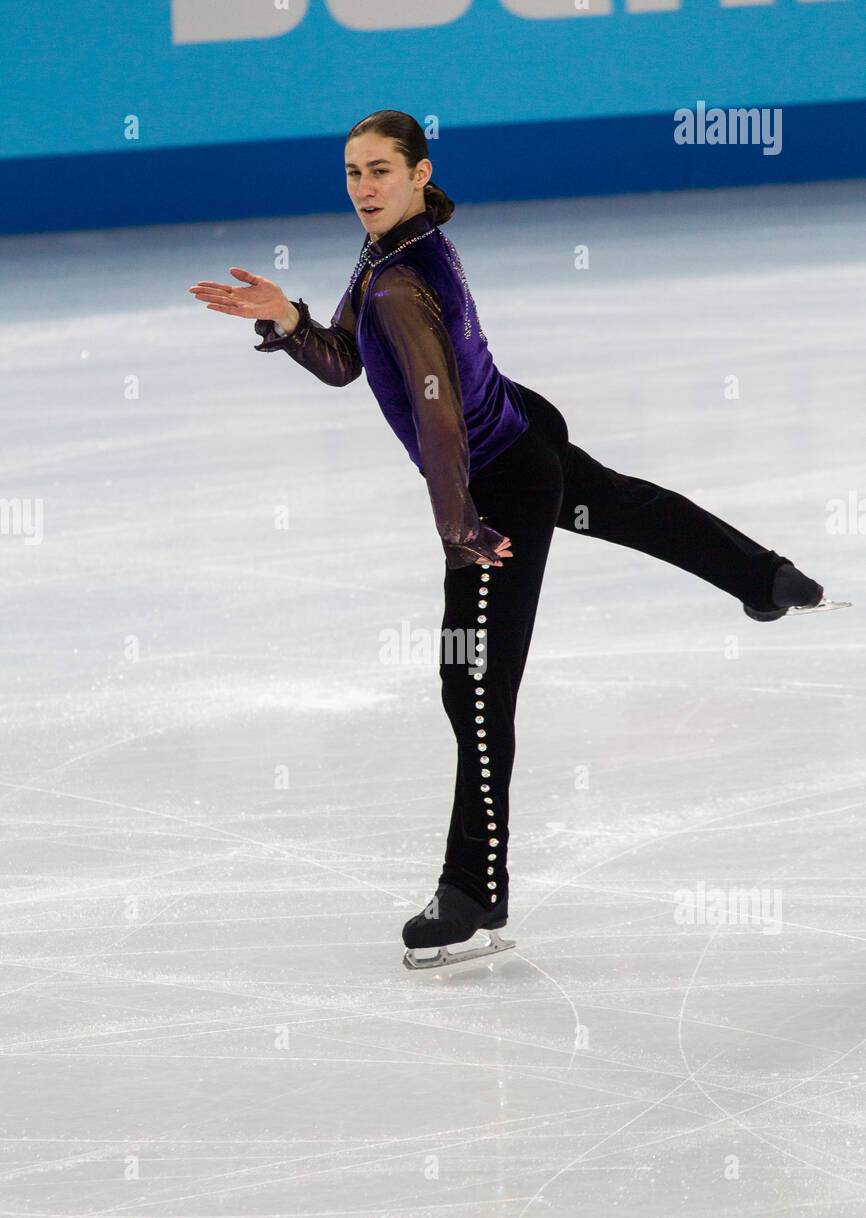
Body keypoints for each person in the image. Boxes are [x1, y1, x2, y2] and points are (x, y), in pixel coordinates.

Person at [188, 109, 846, 971]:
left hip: (498, 486)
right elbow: (347, 361)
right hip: (521, 434)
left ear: (421, 172)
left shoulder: (396, 279)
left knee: (473, 684)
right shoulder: (391, 254)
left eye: (380, 170)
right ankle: (766, 578)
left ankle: (472, 891)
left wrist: (463, 525)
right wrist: (287, 319)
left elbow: (436, 414)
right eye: (352, 172)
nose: (363, 187)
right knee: (624, 508)